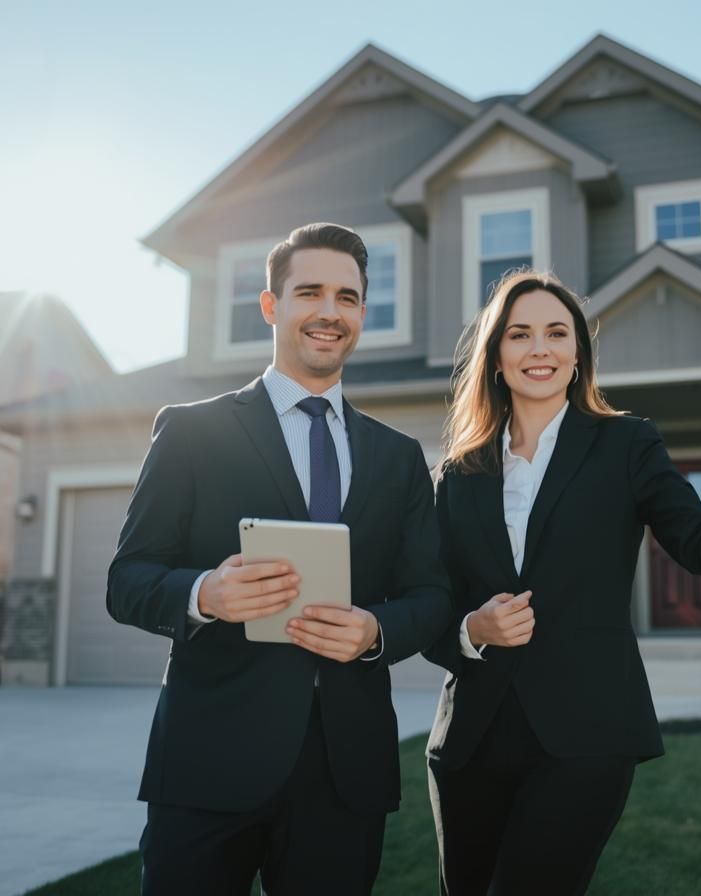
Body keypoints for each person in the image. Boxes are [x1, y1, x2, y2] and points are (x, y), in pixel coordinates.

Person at [422, 270, 701, 895]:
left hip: (586, 734)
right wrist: (472, 630)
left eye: (557, 333)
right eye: (521, 335)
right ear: (496, 357)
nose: (540, 349)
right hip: (473, 740)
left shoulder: (625, 444)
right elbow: (430, 604)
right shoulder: (458, 472)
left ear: (577, 353)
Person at [108, 223, 452, 895]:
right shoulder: (192, 432)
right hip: (208, 763)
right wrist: (205, 592)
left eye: (348, 297)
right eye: (311, 292)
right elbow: (128, 580)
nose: (330, 312)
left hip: (344, 772)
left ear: (361, 315)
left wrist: (376, 631)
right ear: (272, 306)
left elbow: (431, 595)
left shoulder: (399, 457)